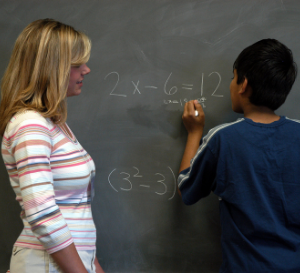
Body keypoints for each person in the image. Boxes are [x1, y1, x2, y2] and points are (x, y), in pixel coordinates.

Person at [178, 39, 299, 272]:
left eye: (233, 78)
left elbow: (187, 189)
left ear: (243, 84)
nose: (232, 85)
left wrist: (194, 134)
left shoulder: (224, 138)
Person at [0, 19, 105, 273]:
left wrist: (93, 266)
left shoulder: (52, 124)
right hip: (46, 265)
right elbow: (42, 213)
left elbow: (75, 213)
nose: (87, 70)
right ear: (52, 68)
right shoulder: (31, 125)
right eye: (77, 64)